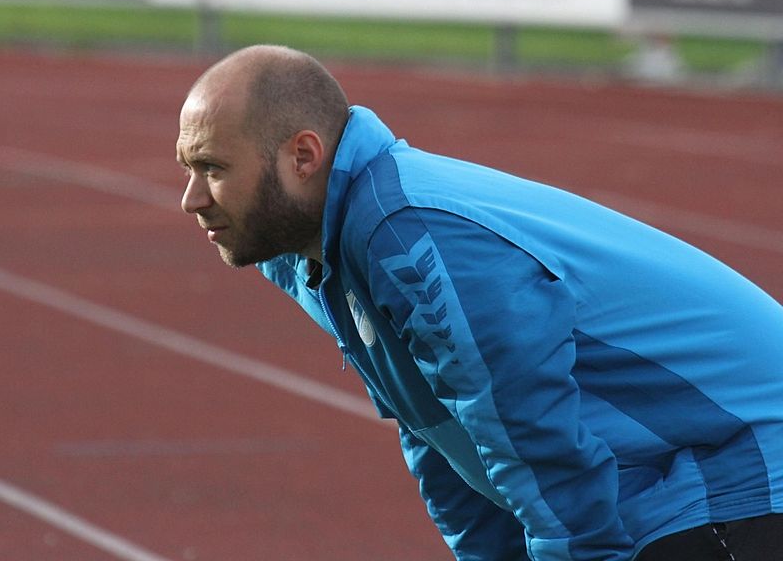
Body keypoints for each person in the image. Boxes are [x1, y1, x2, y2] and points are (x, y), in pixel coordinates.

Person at [175, 44, 783, 560]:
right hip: (690, 473)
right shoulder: (318, 253)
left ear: (303, 157)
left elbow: (527, 431)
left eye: (212, 168)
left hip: (745, 460)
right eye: (187, 169)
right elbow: (437, 431)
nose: (191, 198)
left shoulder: (406, 234)